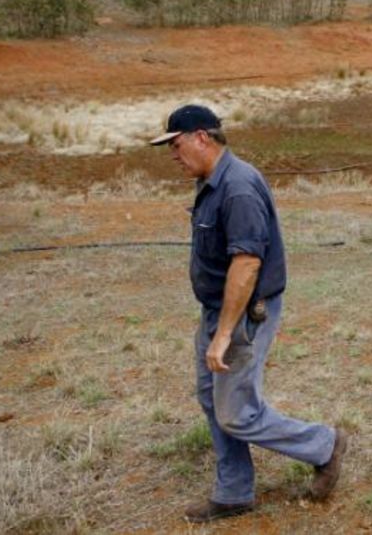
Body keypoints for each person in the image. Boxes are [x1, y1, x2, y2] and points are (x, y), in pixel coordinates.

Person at [150, 104, 349, 523]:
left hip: (241, 315)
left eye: (176, 142)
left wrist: (223, 334)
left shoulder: (236, 187)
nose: (172, 153)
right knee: (211, 397)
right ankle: (234, 491)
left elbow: (246, 264)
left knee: (237, 412)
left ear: (201, 137)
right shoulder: (212, 181)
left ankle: (324, 445)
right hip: (218, 311)